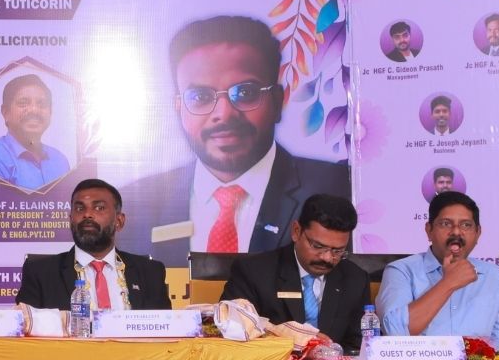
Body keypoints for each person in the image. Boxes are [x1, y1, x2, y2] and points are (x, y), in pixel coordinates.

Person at [123, 16, 349, 264]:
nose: (224, 114)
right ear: (179, 108)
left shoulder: (339, 189)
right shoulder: (134, 206)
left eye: (245, 92)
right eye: (200, 97)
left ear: (277, 101)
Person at [222, 193, 369, 351]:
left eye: (338, 251)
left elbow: (359, 346)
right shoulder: (253, 271)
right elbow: (232, 330)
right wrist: (294, 338)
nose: (327, 258)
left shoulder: (355, 279)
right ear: (296, 231)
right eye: (318, 246)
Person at [376, 192, 499, 354]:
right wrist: (448, 283)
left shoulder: (494, 276)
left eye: (466, 225)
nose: (456, 232)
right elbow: (394, 333)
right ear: (429, 230)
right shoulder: (401, 271)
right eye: (445, 224)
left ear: (478, 233)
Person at [15, 179, 170, 311]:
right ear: (70, 220)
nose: (87, 214)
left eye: (99, 208)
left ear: (119, 221)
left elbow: (166, 331)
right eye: (79, 208)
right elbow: (26, 331)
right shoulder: (40, 273)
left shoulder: (151, 273)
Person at [0, 74, 72, 190]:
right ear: (6, 112)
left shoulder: (60, 161)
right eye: (23, 103)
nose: (34, 110)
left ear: (50, 112)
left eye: (42, 104)